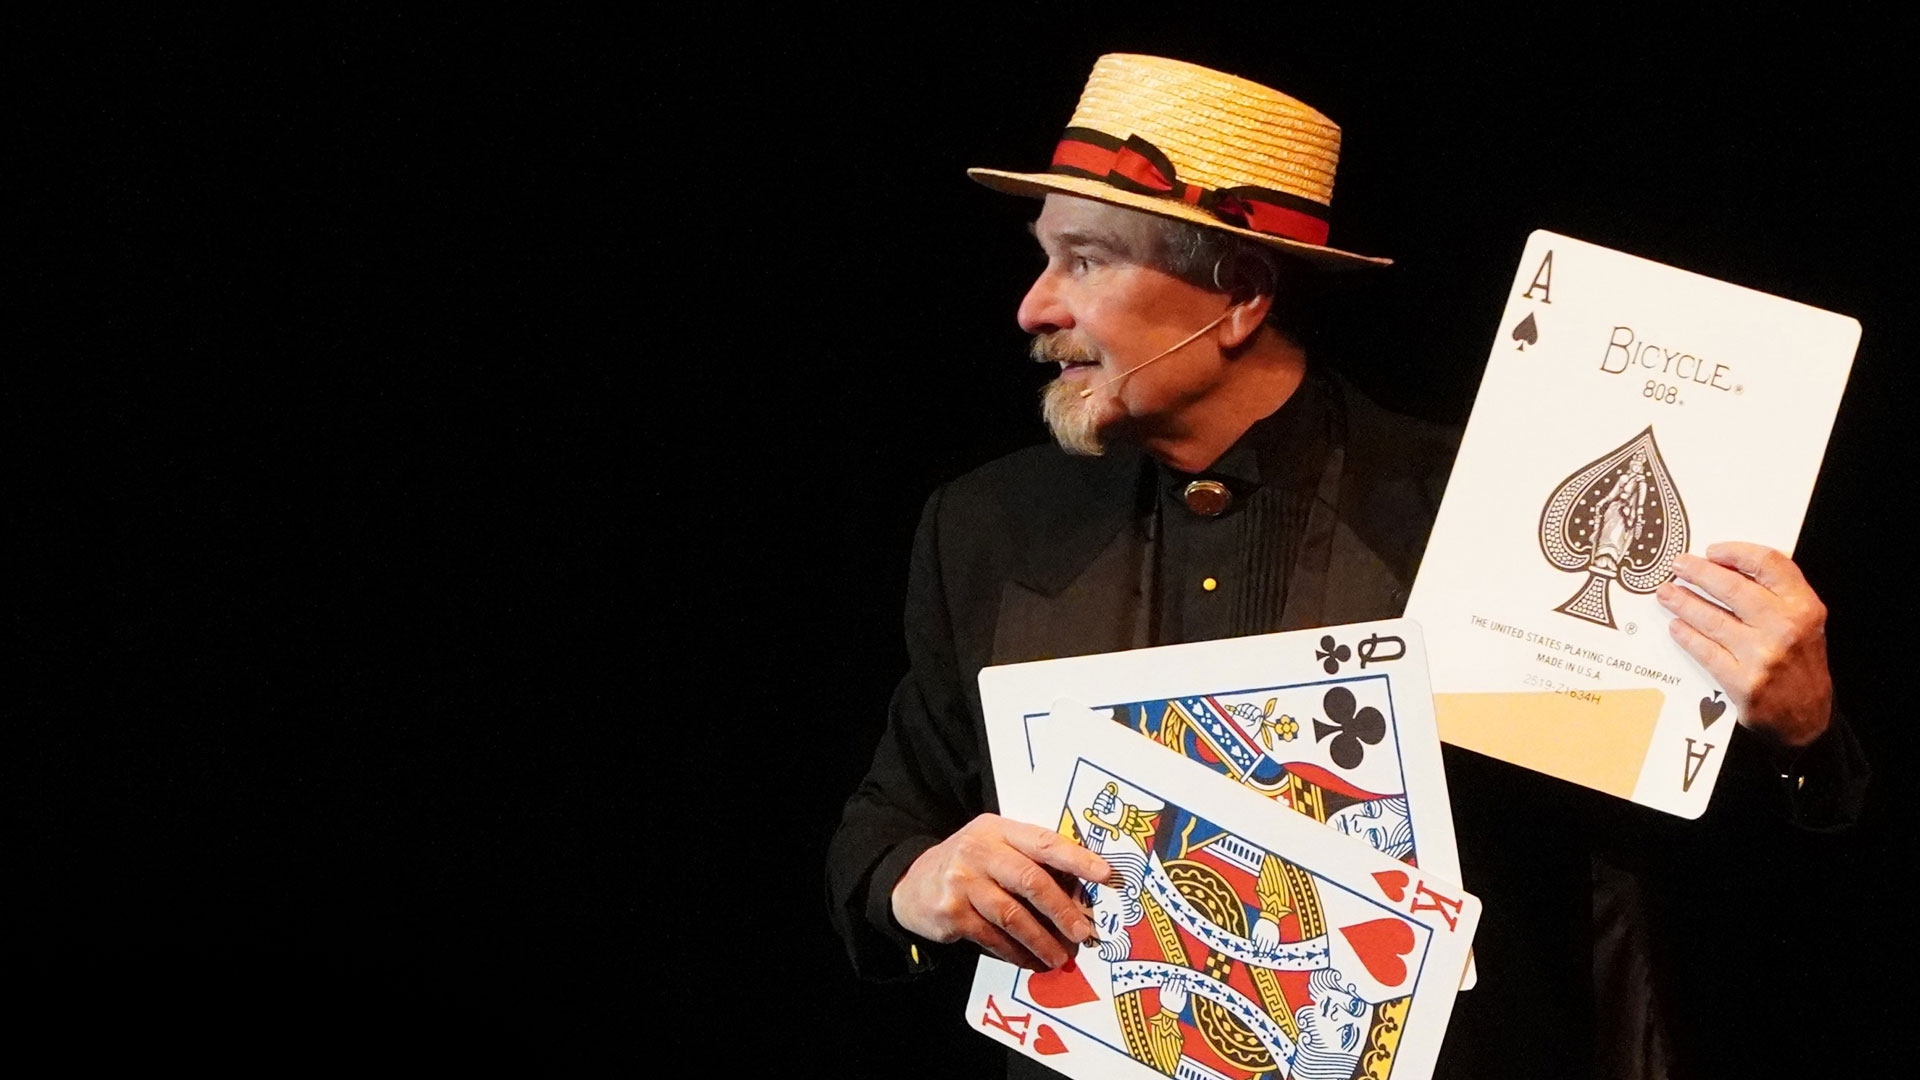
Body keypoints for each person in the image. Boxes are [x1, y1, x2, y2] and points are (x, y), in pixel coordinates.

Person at [825, 54, 1866, 1079]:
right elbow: (885, 823)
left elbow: (1689, 868)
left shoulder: (1477, 513)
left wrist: (1799, 735)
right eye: (1044, 258)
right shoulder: (987, 525)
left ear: (1239, 294)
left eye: (1086, 260)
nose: (1035, 309)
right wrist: (916, 880)